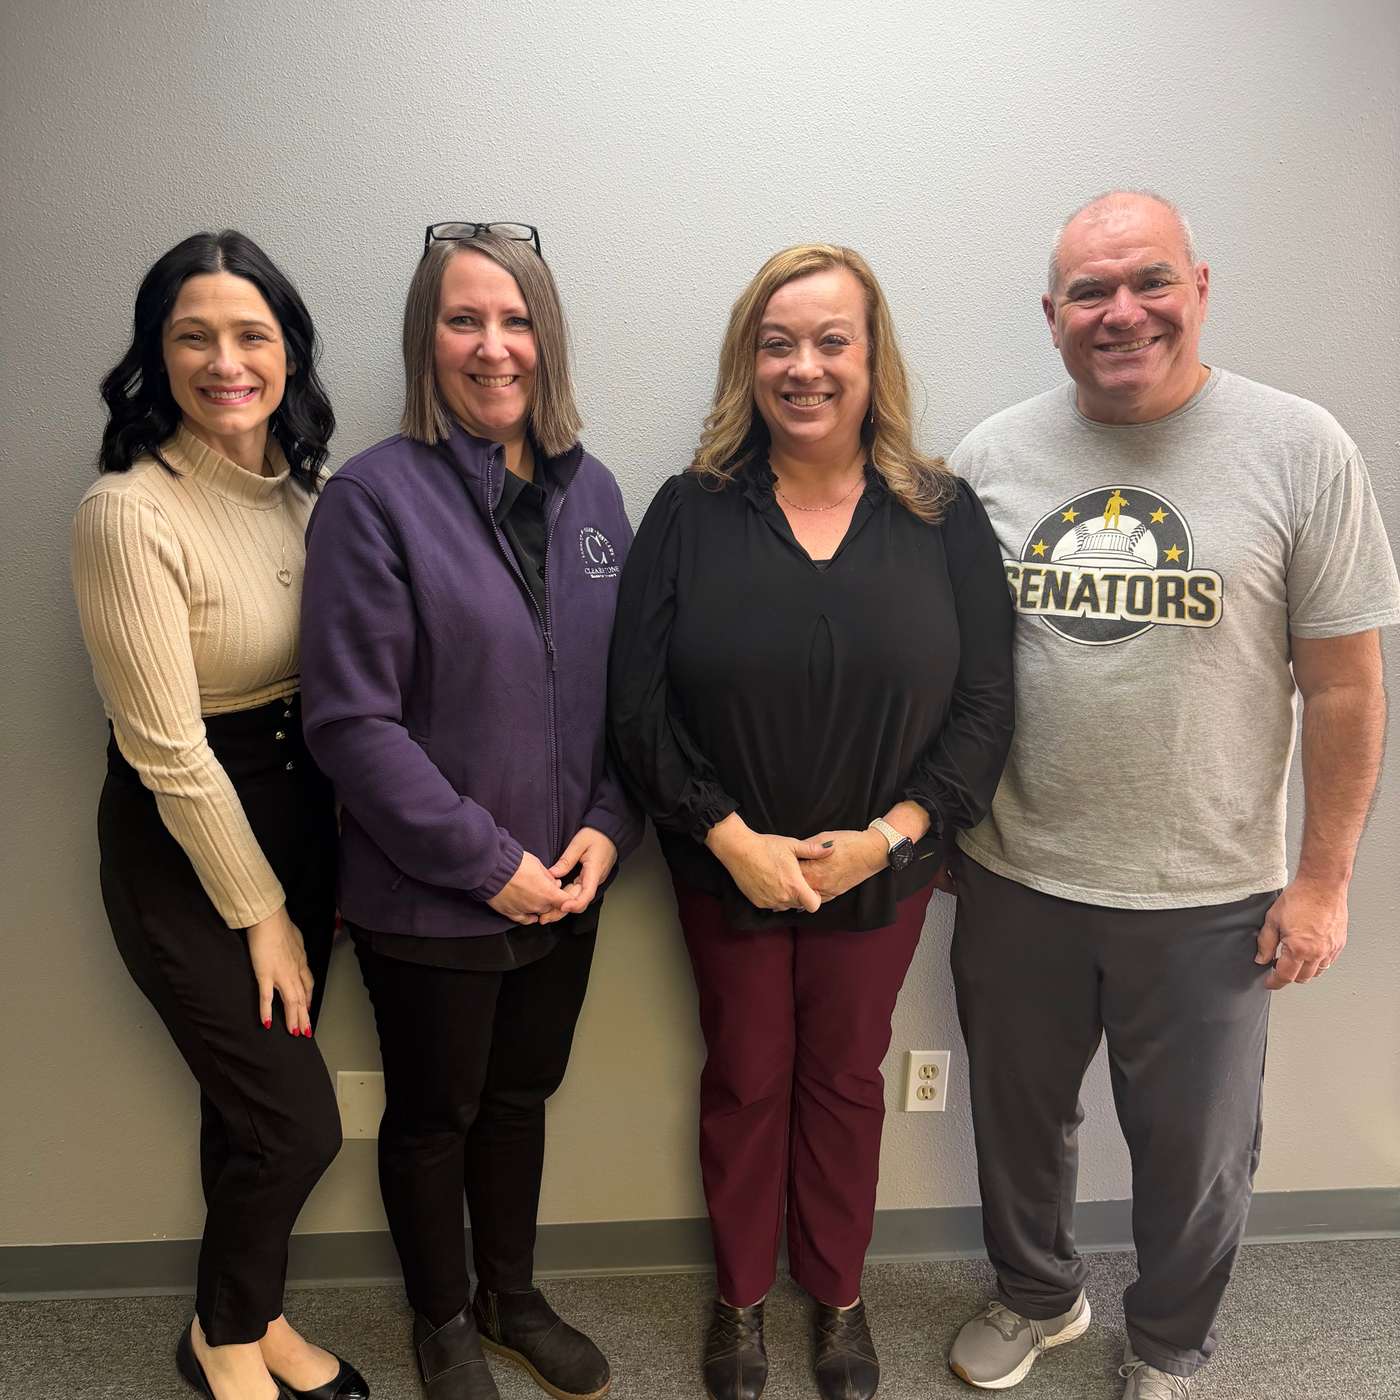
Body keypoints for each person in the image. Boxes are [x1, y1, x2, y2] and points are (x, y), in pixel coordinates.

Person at [945, 190, 1400, 1399]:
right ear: (1051, 316)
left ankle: (1165, 1342)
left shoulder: (1299, 447)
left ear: (1198, 288)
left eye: (1147, 281)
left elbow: (1347, 688)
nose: (1120, 311)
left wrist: (1323, 878)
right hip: (1015, 869)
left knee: (1195, 1157)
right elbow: (947, 668)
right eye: (1088, 292)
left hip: (1208, 890)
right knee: (1015, 1123)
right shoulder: (989, 458)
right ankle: (1038, 1294)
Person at [609, 244, 1015, 1400]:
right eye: (777, 342)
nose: (804, 367)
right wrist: (725, 834)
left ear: (870, 356)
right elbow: (633, 703)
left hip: (877, 870)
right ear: (749, 361)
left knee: (843, 1075)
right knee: (743, 1073)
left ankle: (835, 1292)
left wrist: (886, 834)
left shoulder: (940, 514)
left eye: (830, 340)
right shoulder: (688, 512)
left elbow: (987, 700)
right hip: (720, 863)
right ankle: (739, 1295)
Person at [300, 223, 641, 1400]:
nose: (493, 347)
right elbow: (351, 724)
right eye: (463, 319)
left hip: (573, 883)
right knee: (434, 1110)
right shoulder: (372, 499)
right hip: (431, 894)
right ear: (424, 339)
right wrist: (489, 863)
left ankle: (512, 1292)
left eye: (516, 320)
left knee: (518, 1099)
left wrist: (608, 824)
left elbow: (627, 693)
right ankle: (441, 1317)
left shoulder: (594, 494)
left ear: (547, 338)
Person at [72, 231, 366, 1400]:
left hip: (306, 822)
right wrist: (263, 915)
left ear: (288, 351)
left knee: (247, 1111)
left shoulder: (315, 495)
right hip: (184, 841)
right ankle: (221, 1341)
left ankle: (247, 1317)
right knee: (297, 1124)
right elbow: (167, 748)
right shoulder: (128, 512)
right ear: (157, 353)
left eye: (252, 334)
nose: (226, 359)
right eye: (194, 334)